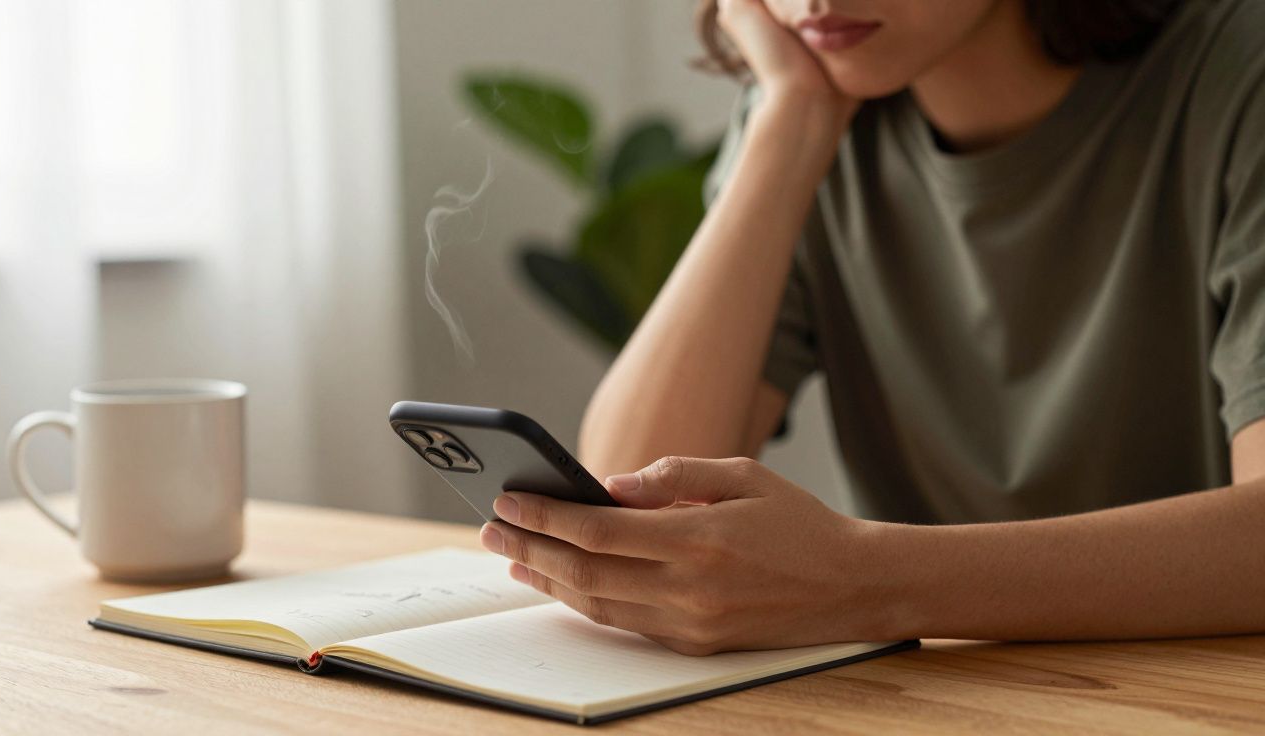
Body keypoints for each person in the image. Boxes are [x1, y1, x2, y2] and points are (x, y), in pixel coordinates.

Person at [480, 0, 1265, 655]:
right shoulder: (816, 104)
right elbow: (631, 504)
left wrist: (869, 582)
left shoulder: (1238, 73)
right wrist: (789, 121)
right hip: (939, 701)